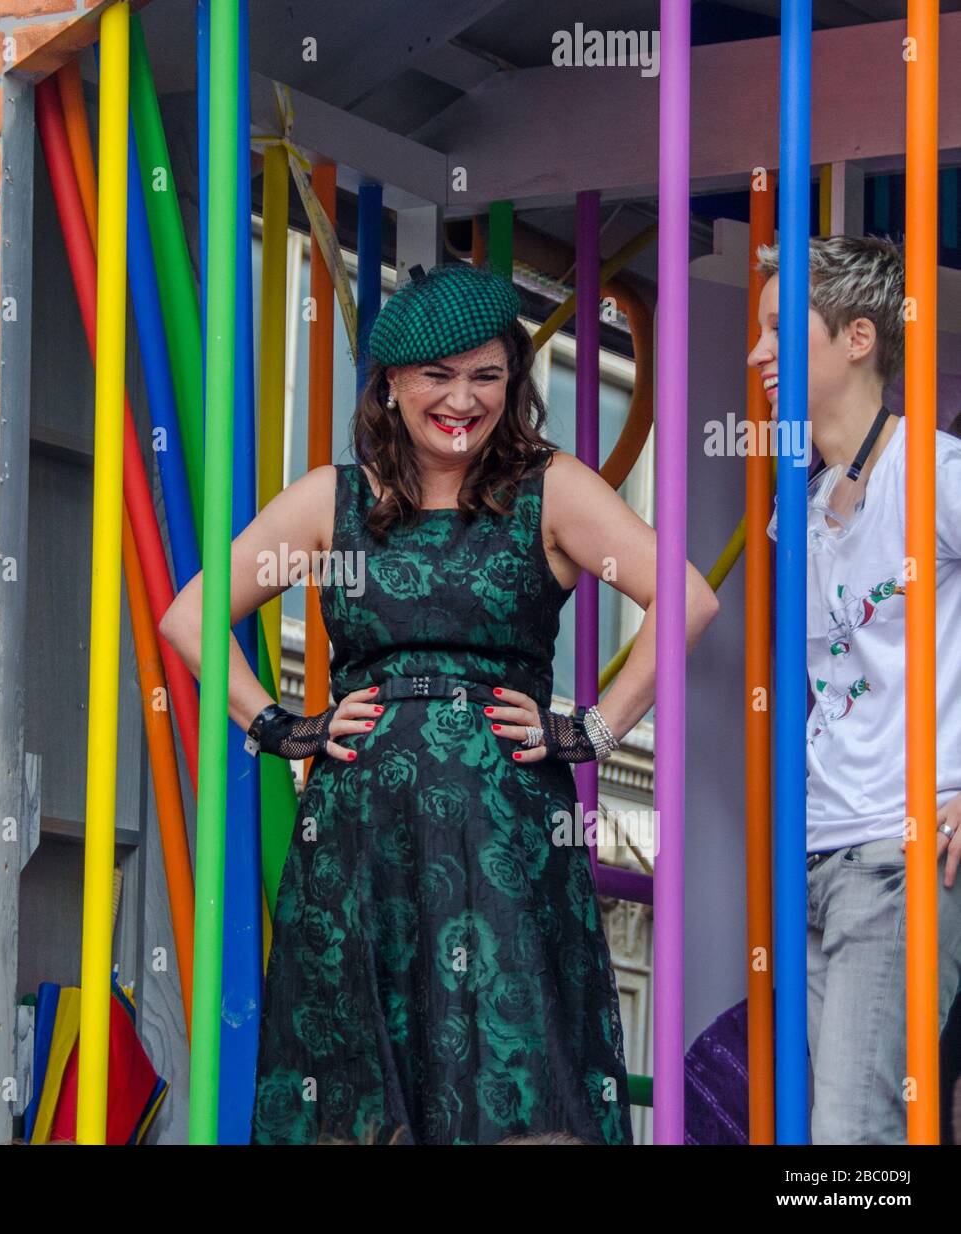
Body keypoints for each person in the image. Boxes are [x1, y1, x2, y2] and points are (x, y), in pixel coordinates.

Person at [160, 262, 719, 1144]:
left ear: (513, 381)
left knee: (514, 1082)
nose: (464, 399)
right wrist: (279, 725)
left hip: (504, 846)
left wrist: (592, 729)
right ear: (389, 381)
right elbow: (190, 615)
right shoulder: (329, 501)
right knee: (355, 1099)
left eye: (487, 375)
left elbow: (685, 599)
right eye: (438, 375)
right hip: (359, 849)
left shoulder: (552, 488)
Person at [747, 234, 961, 1144]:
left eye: (777, 330)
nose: (756, 353)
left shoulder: (936, 473)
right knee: (821, 1137)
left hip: (901, 851)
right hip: (816, 854)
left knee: (853, 1140)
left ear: (860, 337)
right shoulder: (796, 504)